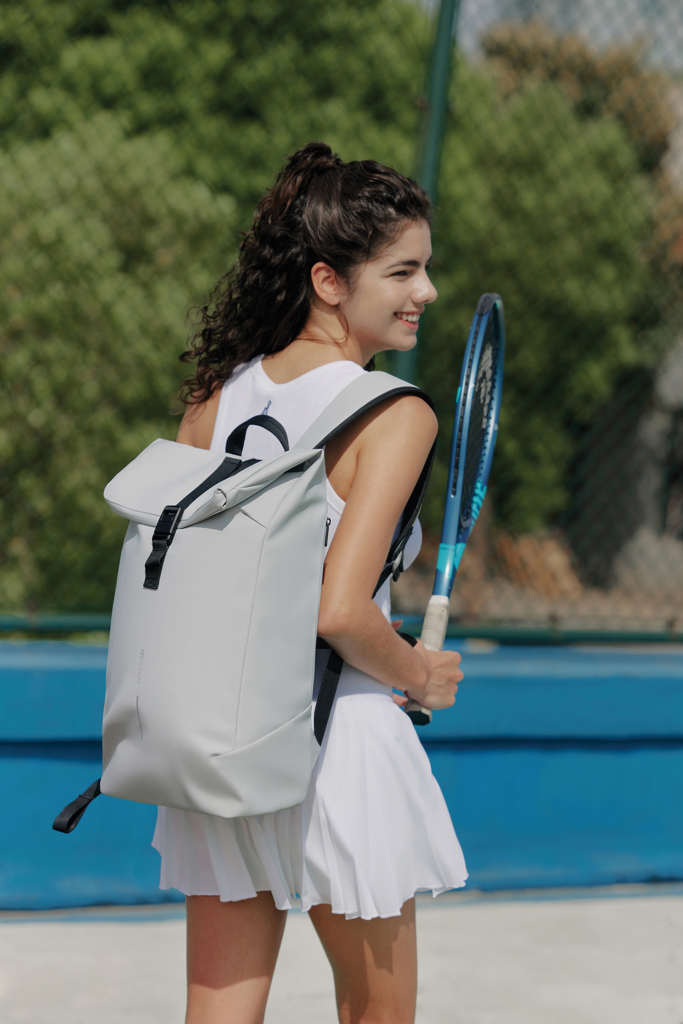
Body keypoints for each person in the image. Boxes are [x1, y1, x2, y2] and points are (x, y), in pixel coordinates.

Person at [155, 142, 466, 1024]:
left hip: (224, 734)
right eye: (402, 271)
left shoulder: (214, 396)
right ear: (329, 282)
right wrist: (418, 672)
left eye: (426, 269)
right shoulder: (395, 410)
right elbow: (341, 609)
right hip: (342, 744)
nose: (425, 293)